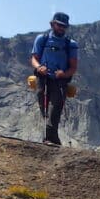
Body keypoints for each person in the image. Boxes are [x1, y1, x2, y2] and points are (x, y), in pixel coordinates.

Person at [30, 12, 79, 146]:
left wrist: (63, 74)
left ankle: (50, 137)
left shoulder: (71, 44)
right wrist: (39, 67)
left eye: (64, 26)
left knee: (56, 105)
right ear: (52, 24)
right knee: (43, 102)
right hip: (43, 76)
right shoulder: (42, 39)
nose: (61, 28)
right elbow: (34, 58)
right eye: (59, 25)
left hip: (60, 80)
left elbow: (73, 67)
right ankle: (50, 136)